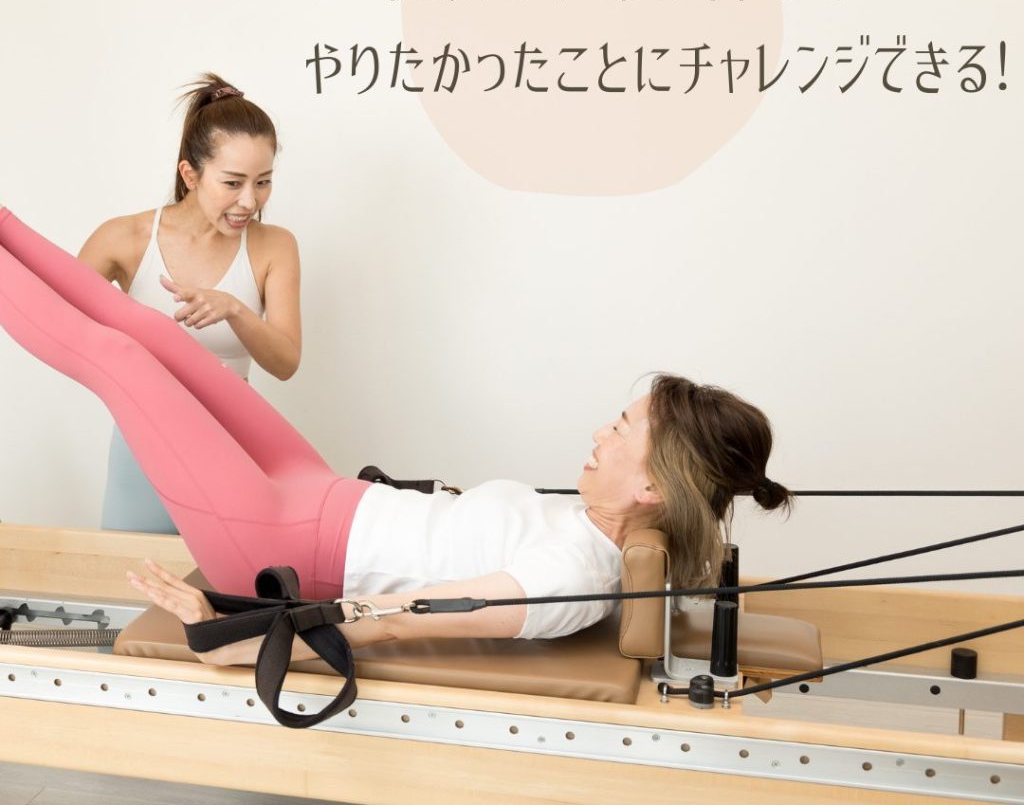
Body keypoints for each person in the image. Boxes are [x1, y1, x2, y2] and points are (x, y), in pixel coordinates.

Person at [0, 207, 791, 666]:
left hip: (279, 538)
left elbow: (401, 616)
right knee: (155, 335)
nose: (599, 433)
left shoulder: (569, 575)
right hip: (317, 488)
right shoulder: (588, 524)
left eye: (619, 430)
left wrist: (235, 635)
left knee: (120, 360)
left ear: (651, 486)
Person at [77, 75, 302, 534]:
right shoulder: (124, 238)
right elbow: (58, 325)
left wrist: (235, 310)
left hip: (235, 448)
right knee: (132, 574)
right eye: (233, 182)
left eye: (263, 182)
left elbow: (285, 362)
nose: (249, 201)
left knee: (231, 580)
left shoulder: (275, 246)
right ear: (190, 174)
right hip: (143, 448)